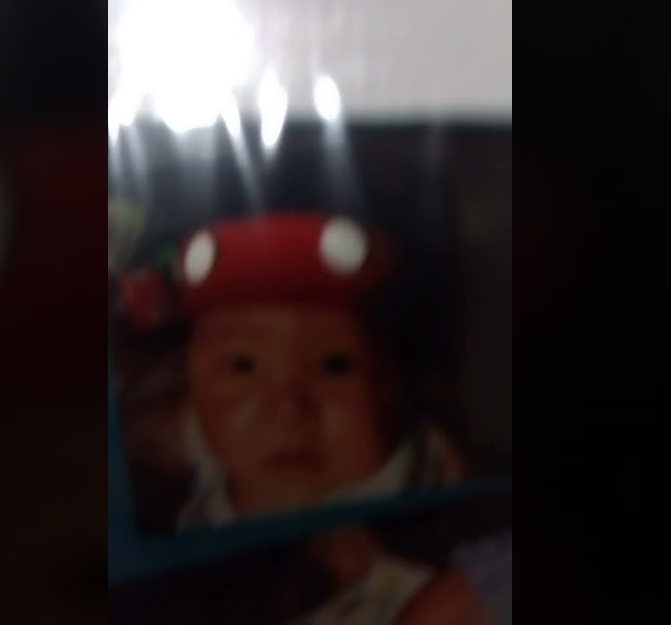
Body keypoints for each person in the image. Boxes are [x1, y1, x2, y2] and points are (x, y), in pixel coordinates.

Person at [118, 212, 483, 624]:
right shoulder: (192, 450)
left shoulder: (437, 470)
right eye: (242, 366)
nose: (288, 410)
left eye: (334, 365)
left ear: (391, 389)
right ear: (195, 391)